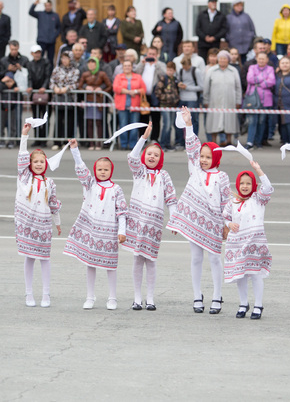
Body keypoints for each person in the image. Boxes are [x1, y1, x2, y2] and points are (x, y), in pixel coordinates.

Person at [167, 107, 231, 314]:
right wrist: (188, 123)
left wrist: (226, 225)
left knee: (214, 258)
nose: (203, 160)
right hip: (194, 221)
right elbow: (191, 147)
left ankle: (217, 296)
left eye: (207, 157)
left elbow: (226, 203)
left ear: (216, 158)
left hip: (213, 223)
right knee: (195, 258)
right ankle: (197, 295)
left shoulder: (221, 177)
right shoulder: (194, 168)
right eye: (202, 156)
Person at [63, 139, 127, 310]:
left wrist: (122, 231)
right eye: (99, 169)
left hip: (109, 233)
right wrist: (75, 150)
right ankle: (90, 296)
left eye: (106, 169)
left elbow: (122, 213)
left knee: (110, 266)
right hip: (92, 232)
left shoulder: (116, 189)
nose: (103, 172)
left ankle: (112, 298)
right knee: (90, 264)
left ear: (111, 171)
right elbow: (81, 168)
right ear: (95, 171)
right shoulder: (90, 184)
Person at [123, 123, 177, 310]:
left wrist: (174, 220)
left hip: (154, 225)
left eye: (156, 154)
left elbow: (171, 199)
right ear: (144, 156)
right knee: (138, 259)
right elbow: (131, 157)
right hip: (138, 222)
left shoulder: (164, 176)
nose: (152, 156)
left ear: (161, 158)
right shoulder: (140, 172)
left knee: (151, 260)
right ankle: (137, 298)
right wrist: (143, 138)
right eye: (149, 154)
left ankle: (150, 298)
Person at [16, 124, 62, 308]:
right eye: (35, 162)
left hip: (43, 225)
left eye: (42, 162)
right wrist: (24, 136)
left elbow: (53, 204)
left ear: (46, 164)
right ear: (29, 164)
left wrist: (57, 223)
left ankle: (46, 294)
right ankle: (29, 294)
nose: (38, 164)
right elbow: (21, 157)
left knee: (45, 258)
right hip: (26, 224)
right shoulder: (24, 177)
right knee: (29, 257)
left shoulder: (49, 182)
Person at [223, 160, 273, 320]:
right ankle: (243, 303)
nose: (245, 186)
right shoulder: (233, 201)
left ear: (254, 185)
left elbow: (268, 188)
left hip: (254, 243)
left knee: (255, 273)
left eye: (248, 183)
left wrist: (258, 169)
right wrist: (229, 224)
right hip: (237, 243)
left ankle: (258, 304)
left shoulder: (258, 199)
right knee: (241, 274)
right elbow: (225, 217)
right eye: (242, 183)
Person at [204, 50, 241, 145]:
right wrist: (206, 100)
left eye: (224, 58)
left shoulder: (233, 71)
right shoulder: (211, 71)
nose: (222, 60)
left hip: (230, 100)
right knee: (214, 121)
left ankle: (229, 141)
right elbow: (206, 87)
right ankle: (213, 141)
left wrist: (238, 100)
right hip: (214, 101)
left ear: (228, 60)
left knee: (229, 120)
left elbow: (238, 87)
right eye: (220, 58)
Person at [78, 56, 112, 150]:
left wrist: (101, 89)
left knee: (98, 122)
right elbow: (79, 86)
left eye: (93, 63)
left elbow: (109, 86)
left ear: (97, 64)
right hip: (89, 100)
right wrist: (85, 87)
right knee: (89, 122)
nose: (91, 65)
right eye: (89, 63)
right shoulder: (85, 74)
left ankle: (98, 143)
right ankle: (91, 143)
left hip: (98, 101)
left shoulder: (102, 74)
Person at [244, 52, 276, 150]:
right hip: (253, 99)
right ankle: (250, 142)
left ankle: (258, 142)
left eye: (263, 59)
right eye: (259, 58)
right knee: (252, 121)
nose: (261, 60)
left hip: (265, 99)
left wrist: (258, 82)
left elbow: (272, 81)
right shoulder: (252, 67)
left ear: (267, 60)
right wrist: (263, 78)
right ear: (256, 59)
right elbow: (249, 79)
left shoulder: (270, 69)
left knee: (262, 121)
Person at [112, 60, 145, 150]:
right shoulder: (119, 77)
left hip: (135, 106)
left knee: (134, 126)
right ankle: (123, 144)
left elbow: (143, 89)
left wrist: (135, 91)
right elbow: (115, 88)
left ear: (132, 67)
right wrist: (128, 92)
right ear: (122, 67)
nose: (127, 67)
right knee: (123, 125)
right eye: (125, 66)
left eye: (129, 65)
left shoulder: (138, 77)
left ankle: (133, 145)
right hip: (123, 105)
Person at [49, 52, 79, 149]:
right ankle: (57, 142)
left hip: (70, 99)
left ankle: (68, 142)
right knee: (58, 120)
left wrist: (67, 88)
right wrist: (55, 88)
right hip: (59, 98)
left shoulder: (75, 70)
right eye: (63, 58)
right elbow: (52, 82)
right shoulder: (57, 70)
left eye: (66, 58)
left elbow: (76, 83)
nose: (64, 60)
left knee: (70, 121)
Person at [26, 45, 53, 146]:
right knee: (36, 117)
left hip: (45, 93)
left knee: (45, 117)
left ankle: (43, 139)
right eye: (35, 52)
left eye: (38, 52)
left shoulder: (46, 62)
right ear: (32, 54)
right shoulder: (30, 64)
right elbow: (29, 77)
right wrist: (30, 87)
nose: (37, 54)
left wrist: (44, 87)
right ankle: (37, 138)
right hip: (35, 94)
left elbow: (47, 76)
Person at [155, 61, 180, 150]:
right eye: (168, 70)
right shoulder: (163, 79)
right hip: (165, 105)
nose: (170, 72)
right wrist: (165, 98)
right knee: (166, 124)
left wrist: (176, 98)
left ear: (174, 70)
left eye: (171, 70)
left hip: (173, 106)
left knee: (171, 125)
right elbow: (157, 91)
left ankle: (168, 143)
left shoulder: (175, 79)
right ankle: (162, 143)